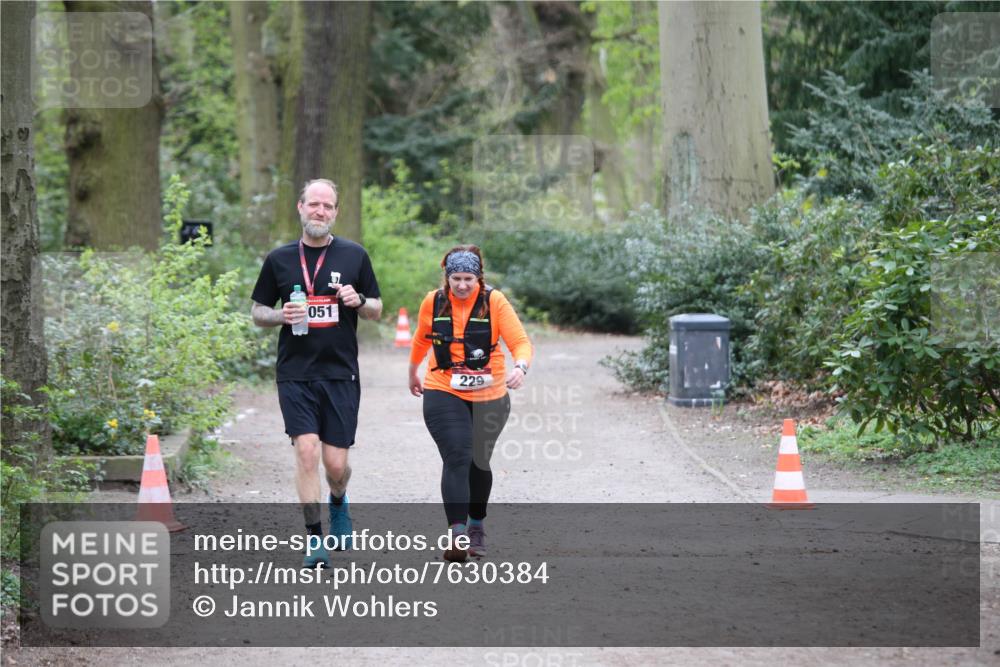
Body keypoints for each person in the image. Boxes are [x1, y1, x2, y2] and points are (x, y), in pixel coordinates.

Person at [251, 178, 382, 567]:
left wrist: (358, 301)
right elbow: (258, 312)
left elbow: (377, 307)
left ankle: (338, 500)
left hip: (341, 373)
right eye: (314, 204)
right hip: (295, 373)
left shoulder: (354, 256)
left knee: (335, 465)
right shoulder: (279, 259)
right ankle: (314, 539)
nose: (320, 211)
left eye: (327, 206)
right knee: (306, 453)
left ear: (336, 212)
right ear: (300, 207)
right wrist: (280, 315)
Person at [408, 245, 532, 562]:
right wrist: (412, 371)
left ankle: (476, 525)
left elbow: (519, 342)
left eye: (468, 279)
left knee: (479, 461)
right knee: (457, 455)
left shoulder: (494, 301)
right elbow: (422, 338)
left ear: (479, 277)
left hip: (490, 394)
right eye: (456, 279)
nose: (462, 286)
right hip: (442, 387)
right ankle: (458, 535)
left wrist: (520, 367)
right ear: (446, 277)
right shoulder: (433, 301)